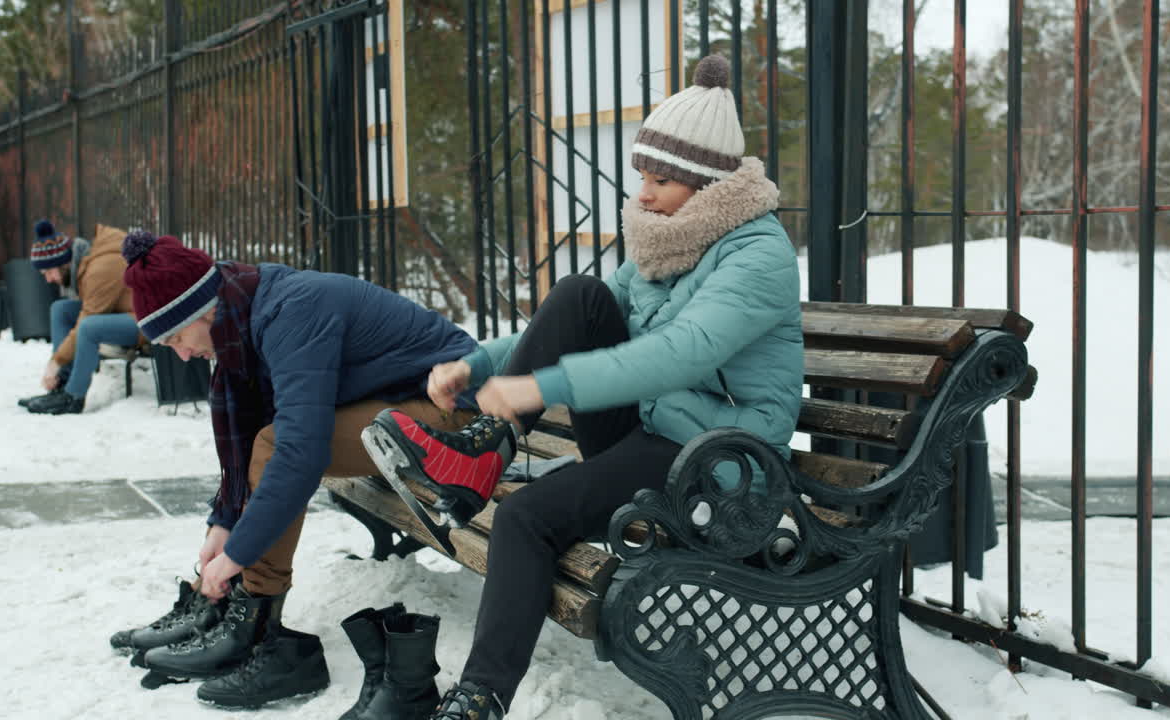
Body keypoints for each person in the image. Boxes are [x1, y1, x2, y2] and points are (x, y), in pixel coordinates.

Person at [363, 55, 803, 719]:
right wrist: (479, 367)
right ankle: (487, 449)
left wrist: (542, 385)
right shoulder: (666, 245)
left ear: (710, 186)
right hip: (653, 434)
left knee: (524, 516)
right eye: (643, 177)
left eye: (660, 180)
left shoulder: (757, 255)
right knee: (579, 293)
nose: (644, 194)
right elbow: (574, 324)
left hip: (720, 461)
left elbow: (682, 355)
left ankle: (479, 702)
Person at [112, 231, 477, 712]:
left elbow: (300, 452)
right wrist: (224, 523)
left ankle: (262, 632)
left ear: (202, 310)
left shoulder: (291, 311)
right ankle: (240, 617)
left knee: (279, 444)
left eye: (177, 337)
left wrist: (237, 555)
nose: (180, 353)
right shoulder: (245, 316)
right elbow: (250, 432)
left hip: (455, 417)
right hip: (398, 407)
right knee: (270, 437)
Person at [18, 220, 141, 414]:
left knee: (89, 327)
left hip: (145, 322)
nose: (49, 279)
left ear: (65, 263)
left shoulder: (101, 268)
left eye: (49, 271)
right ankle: (62, 385)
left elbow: (86, 320)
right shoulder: (90, 261)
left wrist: (55, 362)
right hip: (123, 313)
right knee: (61, 309)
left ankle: (73, 396)